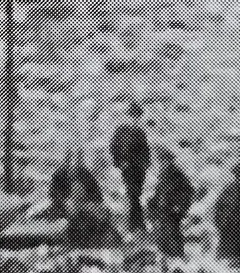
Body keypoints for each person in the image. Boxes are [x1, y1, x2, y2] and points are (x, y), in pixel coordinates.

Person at [50, 146, 113, 247]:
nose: (73, 162)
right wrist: (64, 205)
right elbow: (55, 196)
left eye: (78, 157)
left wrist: (89, 205)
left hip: (84, 209)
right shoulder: (59, 175)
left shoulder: (86, 175)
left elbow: (97, 198)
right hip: (67, 210)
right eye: (70, 157)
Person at [109, 100, 153, 235]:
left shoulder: (140, 132)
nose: (135, 119)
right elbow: (113, 148)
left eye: (137, 117)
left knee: (135, 195)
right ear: (128, 116)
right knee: (132, 195)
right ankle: (135, 225)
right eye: (133, 116)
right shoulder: (121, 131)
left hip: (139, 169)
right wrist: (120, 163)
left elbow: (146, 150)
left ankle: (136, 225)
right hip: (128, 168)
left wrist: (146, 164)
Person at [146, 145, 195, 261]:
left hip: (171, 212)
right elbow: (158, 194)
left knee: (172, 235)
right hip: (161, 211)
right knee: (161, 236)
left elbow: (189, 191)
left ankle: (177, 259)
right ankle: (166, 259)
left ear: (169, 160)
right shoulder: (163, 175)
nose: (162, 163)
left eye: (164, 160)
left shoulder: (177, 174)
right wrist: (151, 204)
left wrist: (180, 207)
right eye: (160, 161)